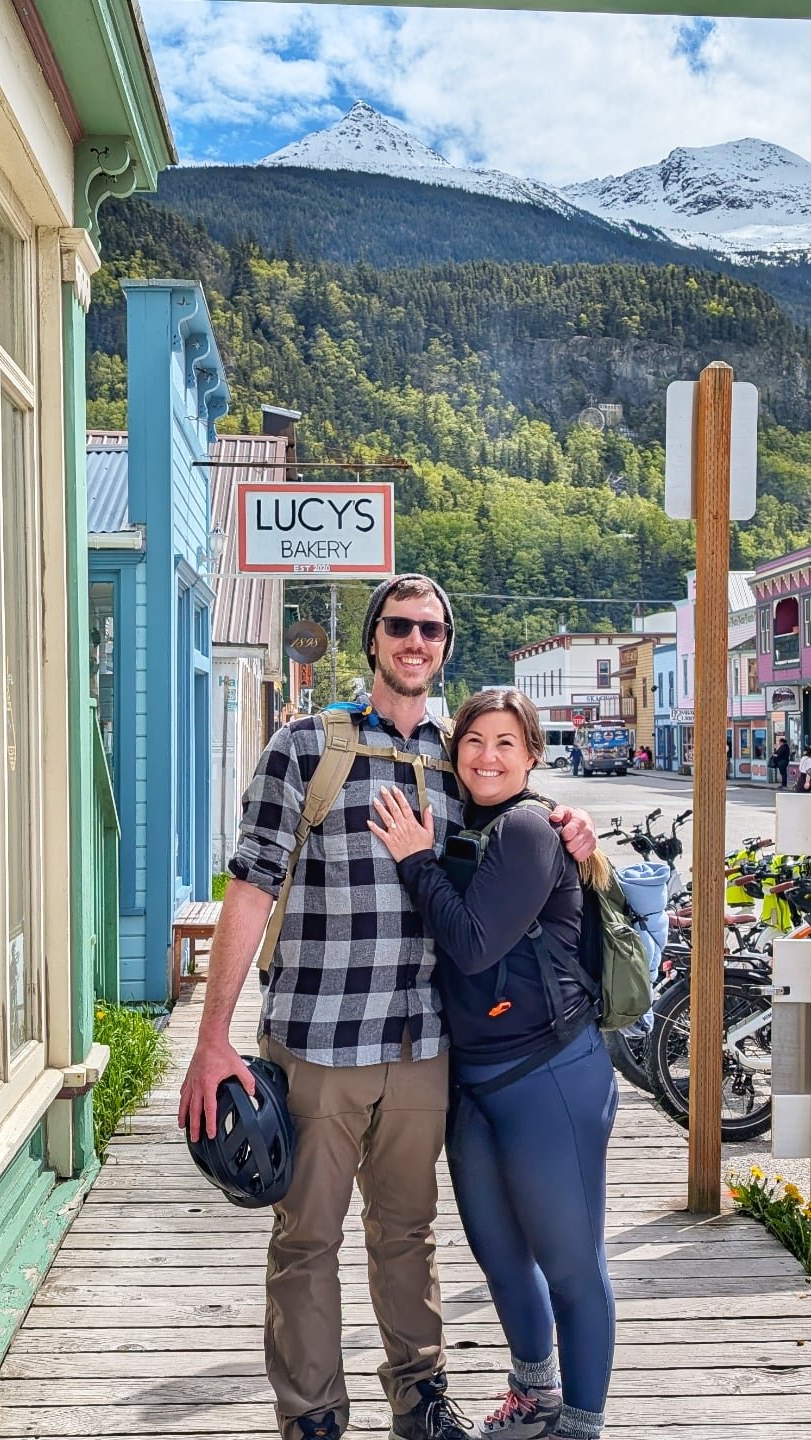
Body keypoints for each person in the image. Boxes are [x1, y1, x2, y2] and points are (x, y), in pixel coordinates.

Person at [178, 574, 597, 1440]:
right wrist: (211, 1039)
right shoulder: (304, 747)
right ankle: (315, 1414)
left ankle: (419, 1397)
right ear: (373, 639)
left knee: (408, 1236)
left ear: (445, 645)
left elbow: (515, 822)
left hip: (423, 1049)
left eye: (433, 630)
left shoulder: (456, 756)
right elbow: (251, 887)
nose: (417, 642)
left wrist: (576, 828)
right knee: (307, 1242)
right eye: (400, 626)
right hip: (319, 1043)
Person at [369, 688, 617, 1440]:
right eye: (474, 741)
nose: (486, 756)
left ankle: (580, 1425)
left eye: (506, 743)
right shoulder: (460, 817)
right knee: (502, 1259)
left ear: (533, 756)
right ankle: (534, 1398)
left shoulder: (530, 829)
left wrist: (415, 862)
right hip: (472, 1079)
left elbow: (475, 943)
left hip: (549, 1073)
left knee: (570, 1264)